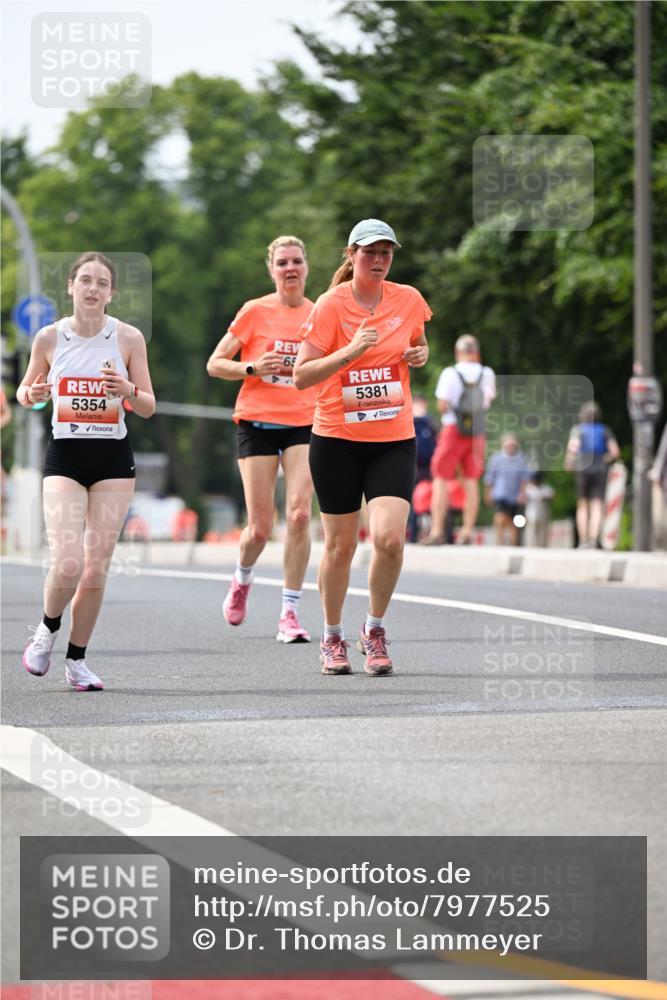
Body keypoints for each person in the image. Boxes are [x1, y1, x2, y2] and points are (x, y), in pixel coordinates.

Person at [293, 218, 431, 676]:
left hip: (393, 437)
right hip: (336, 439)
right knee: (341, 546)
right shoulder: (331, 305)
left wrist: (419, 354)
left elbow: (419, 342)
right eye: (369, 252)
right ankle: (332, 637)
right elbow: (302, 375)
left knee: (390, 540)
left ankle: (373, 630)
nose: (378, 260)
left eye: (386, 252)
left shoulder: (408, 299)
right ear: (351, 255)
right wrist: (350, 351)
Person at [18, 252, 155, 690]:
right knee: (70, 561)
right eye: (85, 281)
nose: (93, 289)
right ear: (71, 287)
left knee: (96, 569)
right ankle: (46, 628)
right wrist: (32, 393)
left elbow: (149, 406)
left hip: (113, 460)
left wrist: (128, 389)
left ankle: (77, 661)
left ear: (112, 292)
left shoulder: (129, 338)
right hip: (66, 456)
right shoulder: (48, 337)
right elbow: (26, 391)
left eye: (102, 283)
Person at [207, 236, 317, 641]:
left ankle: (289, 613)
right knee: (259, 528)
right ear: (272, 269)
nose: (290, 268)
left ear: (307, 267)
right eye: (283, 262)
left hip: (305, 422)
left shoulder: (319, 313)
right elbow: (215, 364)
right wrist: (251, 367)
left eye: (297, 261)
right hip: (257, 423)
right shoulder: (255, 311)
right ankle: (241, 579)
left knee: (301, 513)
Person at [428, 335, 496, 544]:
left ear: (458, 353)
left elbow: (442, 404)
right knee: (471, 481)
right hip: (476, 431)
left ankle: (437, 531)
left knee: (441, 478)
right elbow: (488, 401)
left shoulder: (450, 373)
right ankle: (467, 532)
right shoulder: (487, 373)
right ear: (477, 352)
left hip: (453, 429)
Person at [564, 402, 620, 548]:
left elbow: (573, 448)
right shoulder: (604, 430)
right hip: (600, 470)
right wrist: (604, 459)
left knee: (582, 505)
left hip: (582, 468)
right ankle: (594, 540)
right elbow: (615, 452)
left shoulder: (578, 430)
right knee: (597, 505)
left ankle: (583, 540)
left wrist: (569, 462)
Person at [484, 433, 531, 545]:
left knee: (516, 522)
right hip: (500, 494)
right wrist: (488, 494)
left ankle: (513, 544)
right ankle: (499, 542)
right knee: (499, 517)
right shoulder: (496, 459)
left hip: (515, 496)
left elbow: (525, 479)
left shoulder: (522, 459)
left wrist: (522, 493)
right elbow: (489, 479)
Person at [406, 393, 438, 542]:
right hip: (412, 466)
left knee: (429, 501)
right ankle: (413, 534)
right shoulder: (408, 418)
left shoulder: (429, 422)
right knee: (413, 502)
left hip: (428, 468)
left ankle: (430, 532)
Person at [524, 472, 554, 547]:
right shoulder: (528, 488)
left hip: (543, 513)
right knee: (531, 532)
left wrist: (543, 498)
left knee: (543, 533)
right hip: (531, 514)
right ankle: (531, 547)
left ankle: (543, 547)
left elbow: (552, 496)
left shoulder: (546, 488)